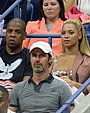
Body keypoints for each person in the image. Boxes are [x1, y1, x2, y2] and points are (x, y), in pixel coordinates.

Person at [9, 41, 72, 113]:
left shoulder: (62, 87)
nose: (37, 60)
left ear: (50, 59)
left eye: (42, 56)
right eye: (34, 55)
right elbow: (10, 110)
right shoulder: (18, 88)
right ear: (30, 59)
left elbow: (72, 110)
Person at [51, 19, 90, 94]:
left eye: (71, 33)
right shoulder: (53, 59)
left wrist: (74, 84)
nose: (66, 36)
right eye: (63, 33)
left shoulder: (88, 60)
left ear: (79, 35)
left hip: (79, 101)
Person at [0, 18, 32, 92]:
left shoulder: (29, 56)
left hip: (14, 99)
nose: (12, 35)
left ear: (24, 35)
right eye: (10, 31)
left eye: (17, 32)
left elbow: (25, 87)